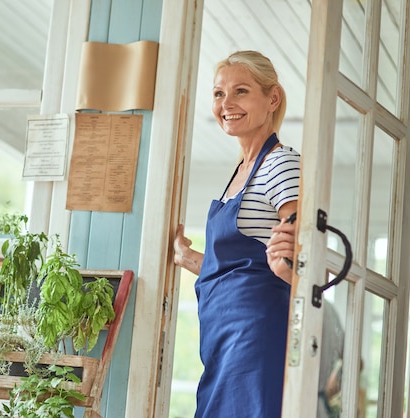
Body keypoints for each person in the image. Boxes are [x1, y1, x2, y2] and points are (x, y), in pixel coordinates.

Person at [173, 50, 300, 417]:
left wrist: (291, 265)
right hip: (222, 337)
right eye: (218, 94)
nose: (226, 103)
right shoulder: (241, 170)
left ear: (272, 98)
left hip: (254, 335)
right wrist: (187, 258)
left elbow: (299, 256)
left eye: (241, 91)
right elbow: (241, 264)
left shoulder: (279, 163)